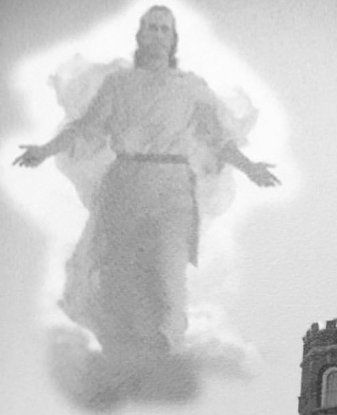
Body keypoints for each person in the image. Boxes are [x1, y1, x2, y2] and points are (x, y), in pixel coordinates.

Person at [12, 5, 278, 362]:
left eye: (163, 29)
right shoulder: (118, 85)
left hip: (172, 188)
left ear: (172, 39)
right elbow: (85, 128)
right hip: (124, 184)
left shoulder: (191, 88)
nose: (156, 34)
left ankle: (162, 356)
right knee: (119, 276)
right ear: (140, 36)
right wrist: (45, 150)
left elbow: (218, 139)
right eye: (150, 27)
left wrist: (250, 168)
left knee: (168, 281)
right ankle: (123, 361)